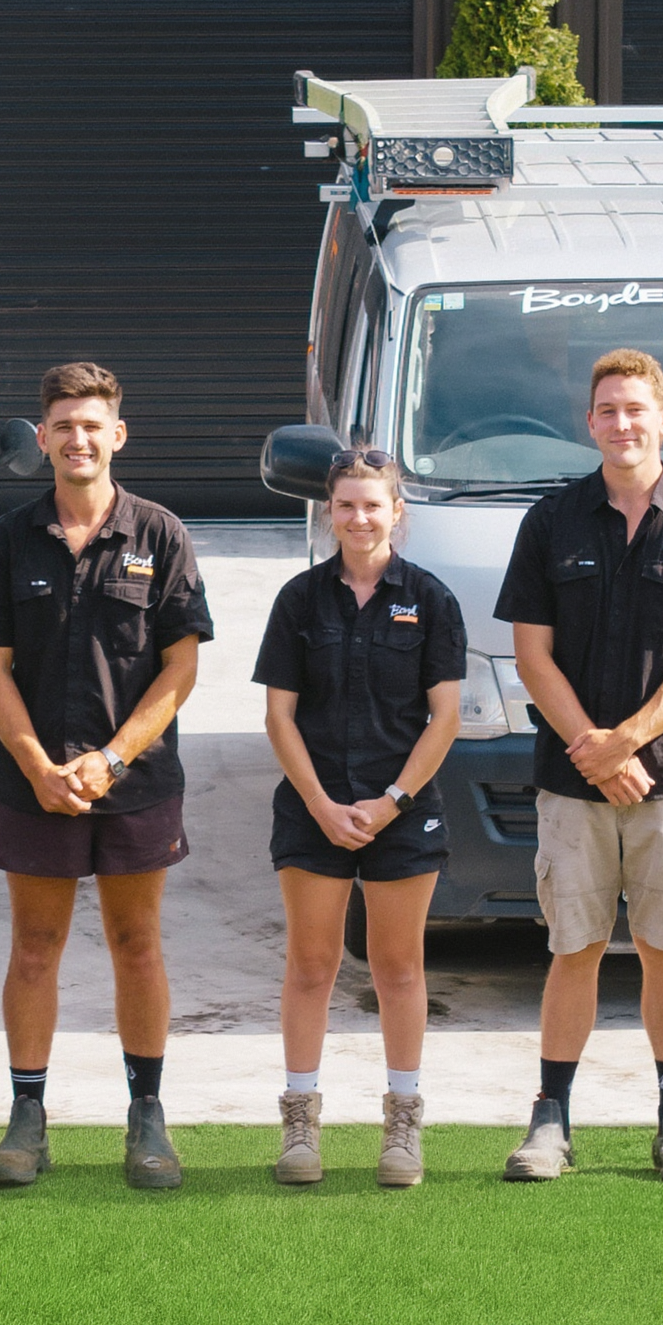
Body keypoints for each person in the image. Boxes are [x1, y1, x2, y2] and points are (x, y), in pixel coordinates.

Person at [493, 348, 663, 1183]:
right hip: (573, 779)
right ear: (590, 422)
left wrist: (627, 742)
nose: (622, 423)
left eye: (636, 409)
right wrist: (594, 752)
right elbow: (532, 656)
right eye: (607, 410)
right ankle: (551, 1121)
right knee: (574, 947)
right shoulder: (551, 521)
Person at [0, 361, 212, 1190]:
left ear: (118, 435)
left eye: (92, 424)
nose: (78, 439)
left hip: (134, 785)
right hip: (35, 786)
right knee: (35, 948)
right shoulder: (8, 539)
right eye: (63, 425)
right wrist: (36, 766)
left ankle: (147, 1119)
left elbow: (179, 670)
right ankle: (27, 1121)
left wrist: (108, 760)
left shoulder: (160, 535)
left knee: (136, 946)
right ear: (43, 438)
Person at [253, 448, 466, 1188]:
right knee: (311, 967)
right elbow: (279, 715)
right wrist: (320, 803)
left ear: (396, 511)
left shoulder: (432, 600)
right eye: (346, 505)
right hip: (315, 809)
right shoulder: (299, 601)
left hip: (401, 813)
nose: (359, 517)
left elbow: (444, 718)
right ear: (329, 513)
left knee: (397, 969)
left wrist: (392, 803)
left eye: (373, 504)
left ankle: (403, 1123)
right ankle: (300, 1123)